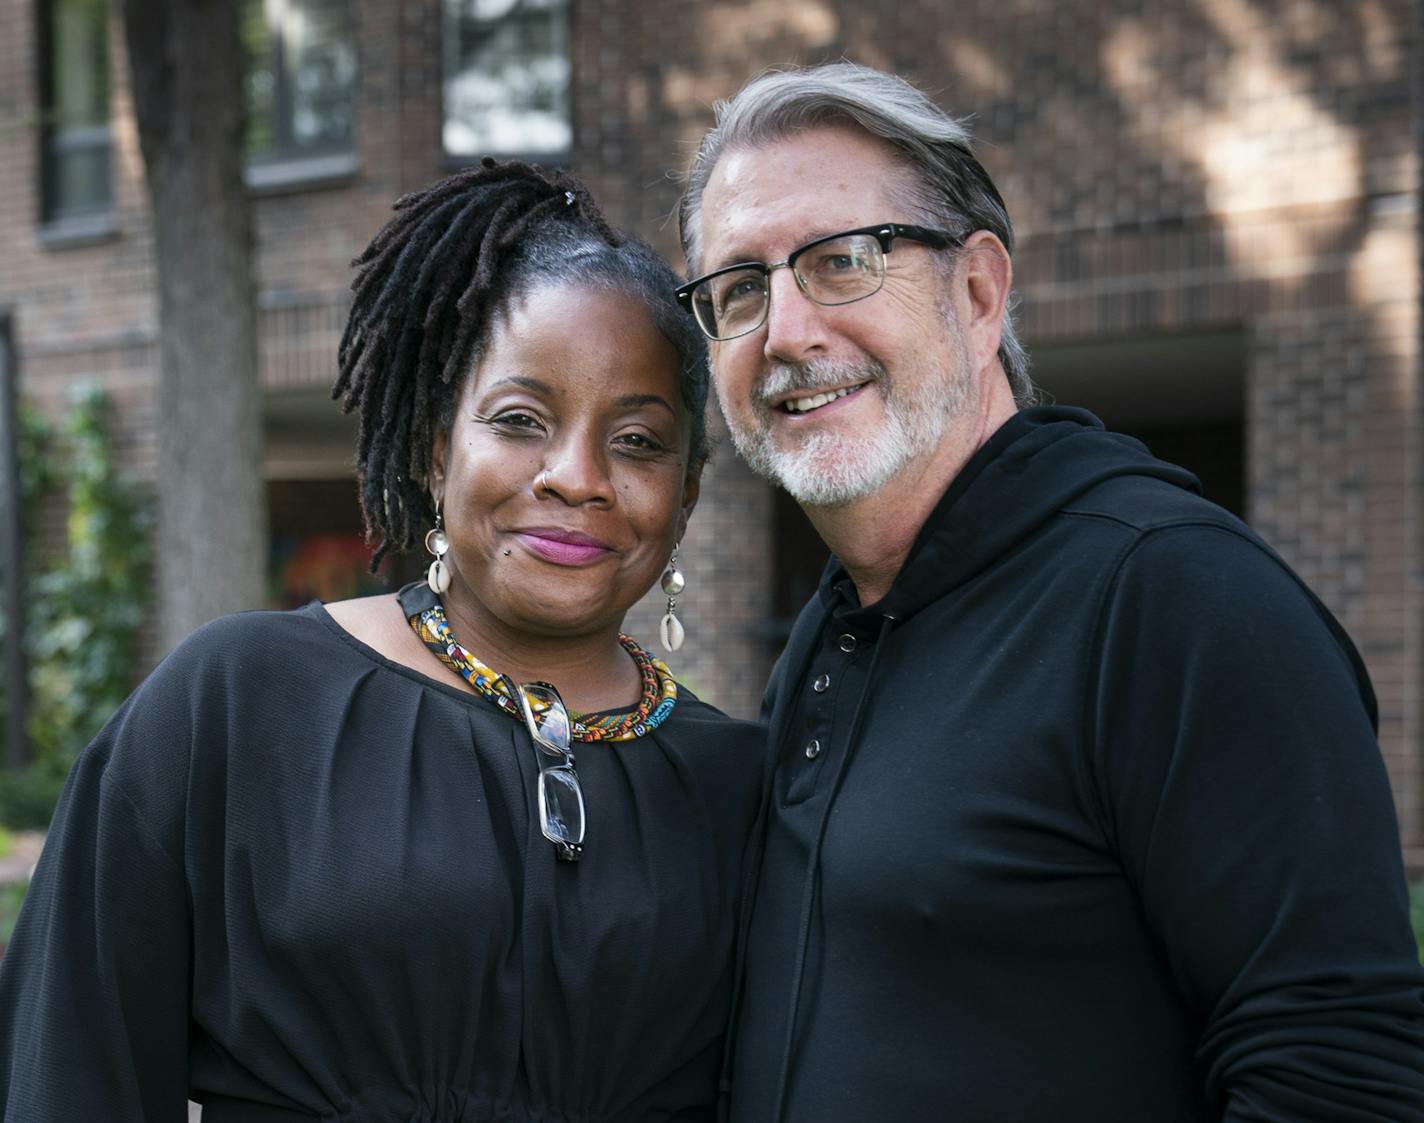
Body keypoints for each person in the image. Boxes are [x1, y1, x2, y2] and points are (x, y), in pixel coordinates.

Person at [676, 62, 1424, 1121]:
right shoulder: (834, 630)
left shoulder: (1174, 598)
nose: (784, 330)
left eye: (840, 262)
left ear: (976, 295)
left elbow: (1337, 1076)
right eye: (738, 288)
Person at [0, 160, 764, 1121]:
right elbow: (68, 1067)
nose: (578, 476)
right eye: (520, 420)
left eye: (640, 441)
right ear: (433, 447)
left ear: (688, 489)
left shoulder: (744, 787)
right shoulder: (239, 705)